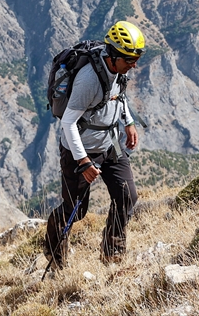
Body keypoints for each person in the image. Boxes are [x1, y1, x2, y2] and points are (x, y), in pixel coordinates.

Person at [43, 20, 145, 269]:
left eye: (136, 58)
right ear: (113, 56)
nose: (134, 65)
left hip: (110, 143)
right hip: (80, 149)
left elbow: (118, 95)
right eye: (129, 60)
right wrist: (84, 161)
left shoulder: (119, 68)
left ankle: (113, 252)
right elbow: (68, 122)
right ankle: (54, 252)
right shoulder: (89, 79)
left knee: (127, 196)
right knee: (75, 211)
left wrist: (128, 121)